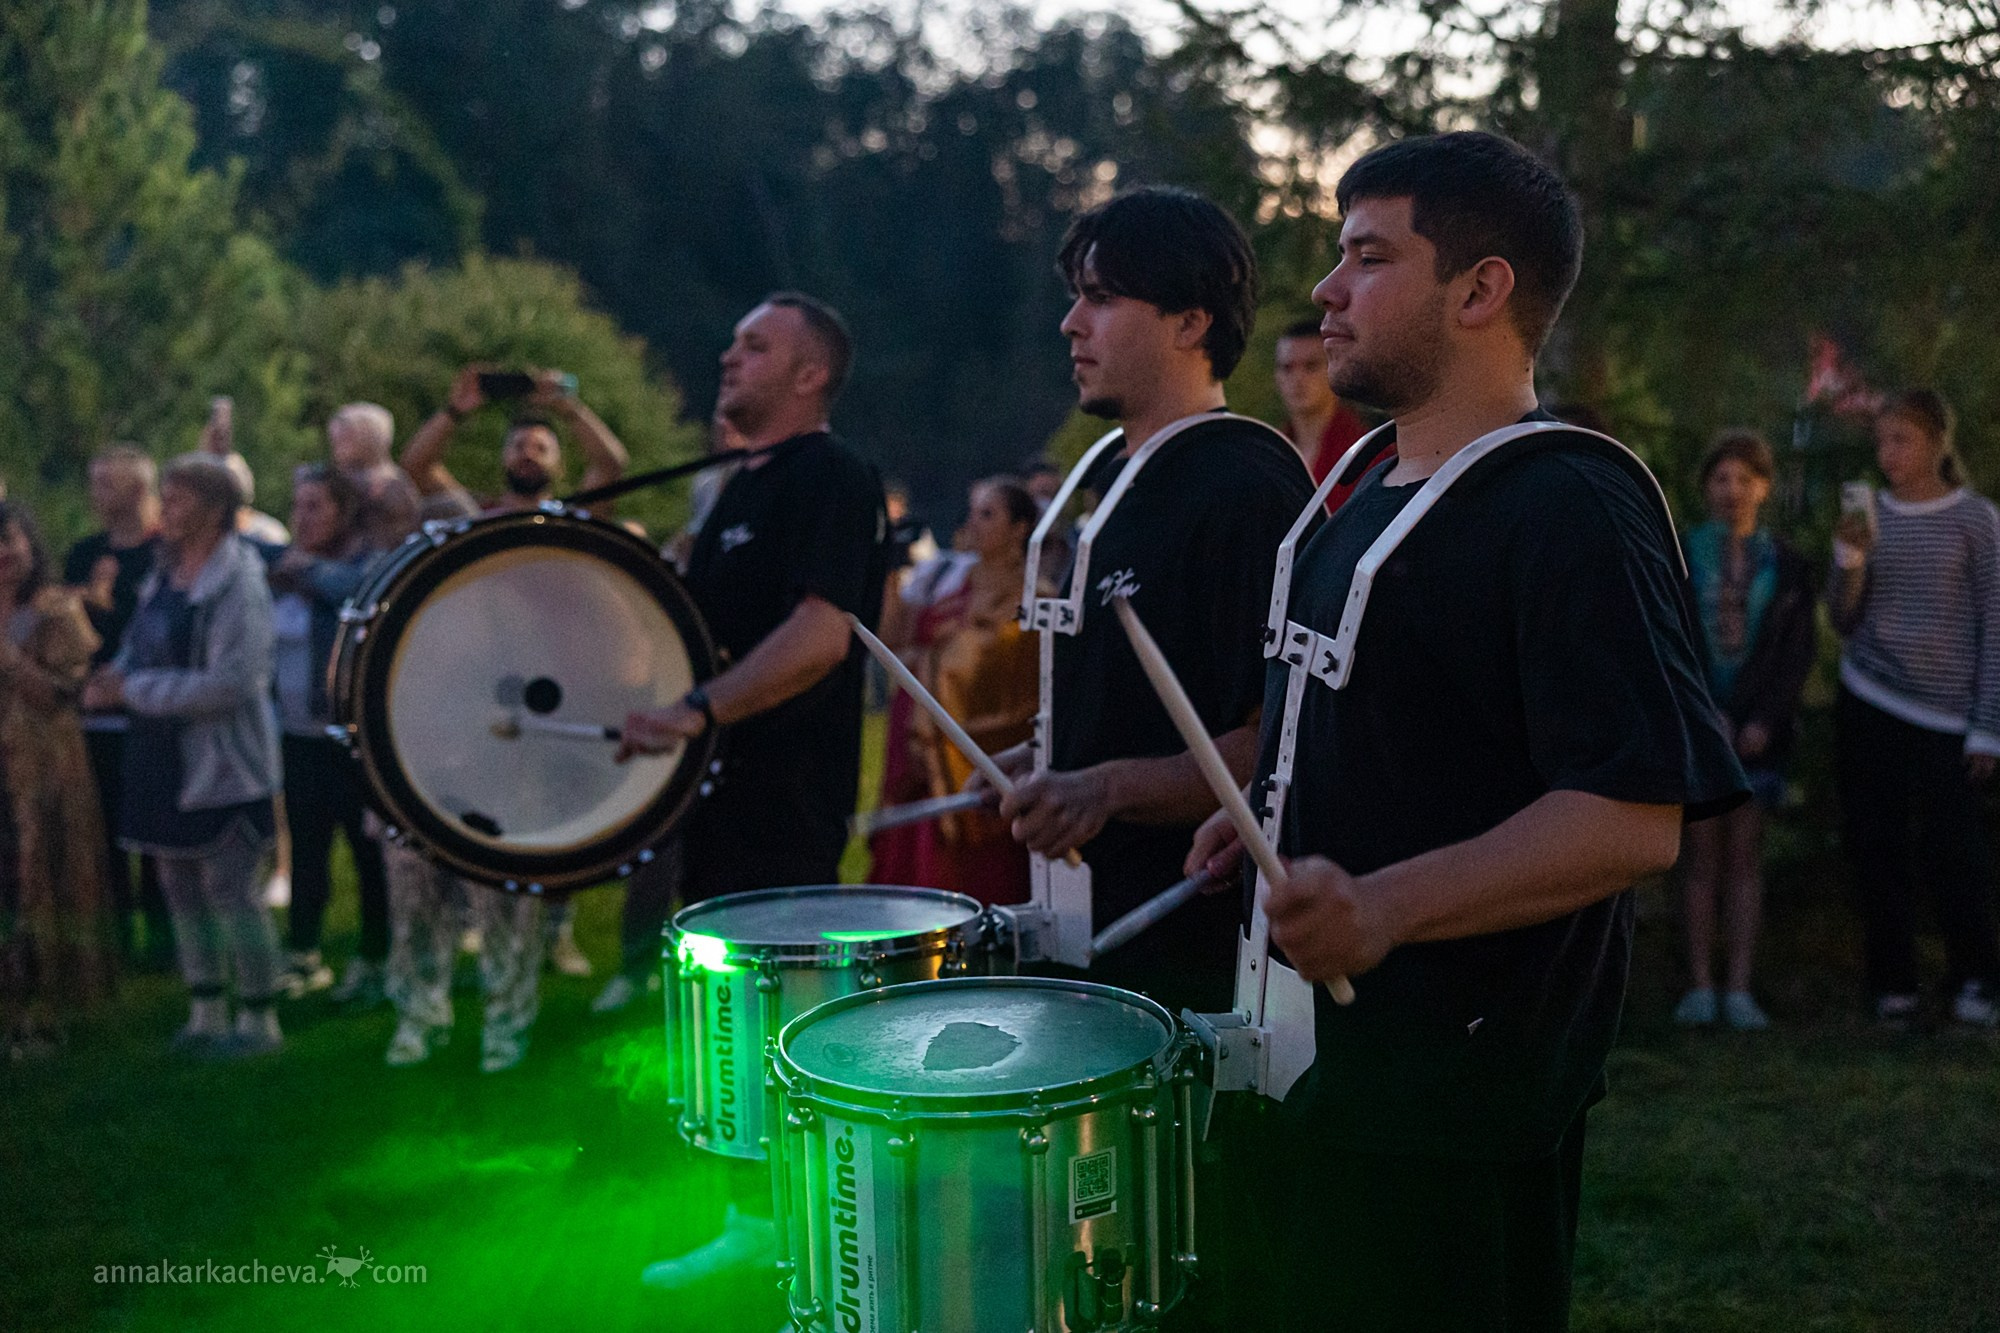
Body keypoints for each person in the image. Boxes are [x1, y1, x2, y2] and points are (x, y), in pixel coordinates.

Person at [1183, 131, 1744, 1330]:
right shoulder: (1353, 496)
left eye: (1368, 257)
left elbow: (1629, 817)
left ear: (1480, 289)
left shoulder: (1569, 502)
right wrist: (1270, 818)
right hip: (1305, 1081)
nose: (1327, 289)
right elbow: (1396, 735)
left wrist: (1382, 905)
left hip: (1447, 1112)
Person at [614, 292, 888, 1290]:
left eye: (754, 345)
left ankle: (806, 1229)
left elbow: (822, 632)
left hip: (785, 796)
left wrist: (699, 709)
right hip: (722, 793)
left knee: (780, 1010)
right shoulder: (734, 484)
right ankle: (754, 1217)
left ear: (810, 373)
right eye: (730, 341)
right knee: (729, 1007)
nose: (728, 356)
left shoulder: (834, 475)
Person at [989, 185, 1315, 1017]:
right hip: (1090, 932)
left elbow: (1281, 739)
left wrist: (1104, 787)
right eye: (1075, 299)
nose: (1072, 323)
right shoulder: (1117, 479)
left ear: (1190, 322)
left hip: (1189, 960)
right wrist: (1060, 758)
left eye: (1101, 299)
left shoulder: (1247, 483)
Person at [400, 366, 630, 979]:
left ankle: (556, 930)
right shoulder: (483, 515)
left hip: (563, 686)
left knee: (557, 809)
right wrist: (456, 410)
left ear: (555, 462)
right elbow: (416, 471)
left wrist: (569, 408)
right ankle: (486, 923)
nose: (526, 453)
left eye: (540, 446)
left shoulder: (572, 517)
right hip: (488, 685)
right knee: (492, 798)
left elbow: (610, 464)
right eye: (518, 444)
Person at [83, 454, 286, 1059]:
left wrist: (133, 692)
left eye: (178, 497)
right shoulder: (164, 571)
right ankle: (205, 1010)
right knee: (177, 885)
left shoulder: (239, 583)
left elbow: (234, 681)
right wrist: (110, 678)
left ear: (215, 508)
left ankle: (259, 1018)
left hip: (221, 763)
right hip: (160, 757)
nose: (164, 508)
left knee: (231, 891)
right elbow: (139, 646)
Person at [1827, 389, 2000, 1029]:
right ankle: (1892, 985)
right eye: (1881, 441)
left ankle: (1977, 978)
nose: (1887, 454)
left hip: (1948, 717)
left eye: (1900, 440)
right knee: (1879, 847)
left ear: (1934, 442)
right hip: (1870, 697)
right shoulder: (1874, 515)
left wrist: (1988, 728)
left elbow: (1994, 625)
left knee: (1956, 852)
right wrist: (1849, 557)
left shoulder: (1975, 520)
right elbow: (1843, 617)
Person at [1675, 430, 1818, 1031]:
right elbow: (1671, 639)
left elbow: (1796, 652)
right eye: (1721, 478)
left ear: (1764, 486)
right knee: (1700, 856)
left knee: (1744, 856)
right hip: (1701, 727)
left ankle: (1740, 988)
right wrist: (1706, 711)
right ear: (1707, 487)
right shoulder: (1682, 552)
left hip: (1761, 735)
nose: (1732, 490)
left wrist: (1764, 718)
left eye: (1745, 479)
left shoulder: (1785, 563)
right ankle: (1699, 986)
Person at [869, 477, 1039, 903]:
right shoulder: (945, 581)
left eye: (988, 514)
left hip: (969, 765)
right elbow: (894, 643)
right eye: (972, 512)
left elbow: (1018, 699)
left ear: (1020, 528)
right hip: (919, 756)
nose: (973, 523)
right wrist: (890, 568)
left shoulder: (1037, 599)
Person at [267, 464, 391, 1005]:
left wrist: (310, 572)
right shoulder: (283, 574)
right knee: (309, 847)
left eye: (316, 506)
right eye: (298, 506)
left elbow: (361, 594)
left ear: (345, 512)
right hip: (297, 736)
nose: (302, 517)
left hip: (352, 739)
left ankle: (375, 958)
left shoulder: (368, 564)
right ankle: (303, 954)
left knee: (369, 854)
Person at [0, 501, 116, 1057]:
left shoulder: (58, 610)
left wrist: (6, 657)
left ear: (30, 546)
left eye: (11, 541)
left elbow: (57, 695)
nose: (3, 553)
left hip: (43, 770)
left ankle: (46, 1008)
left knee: (38, 879)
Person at [64, 446, 170, 968]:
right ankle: (117, 937)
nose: (95, 494)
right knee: (104, 829)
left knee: (153, 824)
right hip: (93, 714)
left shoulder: (165, 553)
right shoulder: (85, 554)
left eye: (106, 483)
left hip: (150, 710)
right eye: (93, 482)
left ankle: (164, 933)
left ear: (136, 490)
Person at [1273, 314, 1386, 510]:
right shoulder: (1271, 453)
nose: (1297, 379)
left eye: (1311, 366)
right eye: (1287, 368)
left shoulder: (1369, 455)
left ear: (1334, 368)